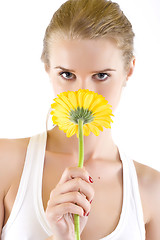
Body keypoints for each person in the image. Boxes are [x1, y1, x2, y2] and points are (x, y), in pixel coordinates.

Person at [0, 0, 160, 239]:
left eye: (101, 75)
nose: (83, 94)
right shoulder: (6, 162)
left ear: (129, 70)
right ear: (47, 68)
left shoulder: (151, 190)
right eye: (67, 74)